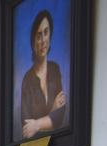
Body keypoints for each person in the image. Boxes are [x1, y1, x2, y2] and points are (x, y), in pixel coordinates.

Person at [20, 9, 66, 139]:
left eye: (46, 33)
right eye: (38, 35)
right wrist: (52, 111)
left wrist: (37, 124)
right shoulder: (27, 80)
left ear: (50, 36)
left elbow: (60, 115)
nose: (43, 40)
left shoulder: (55, 69)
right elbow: (27, 129)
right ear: (33, 42)